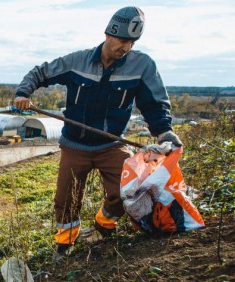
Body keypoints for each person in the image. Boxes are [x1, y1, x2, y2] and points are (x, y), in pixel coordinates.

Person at [13, 6, 182, 261]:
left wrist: (164, 132)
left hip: (111, 145)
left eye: (132, 42)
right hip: (74, 146)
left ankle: (103, 227)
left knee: (127, 191)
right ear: (109, 33)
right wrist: (23, 93)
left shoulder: (142, 66)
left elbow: (154, 104)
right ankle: (65, 244)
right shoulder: (77, 61)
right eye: (122, 40)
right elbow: (41, 72)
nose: (126, 47)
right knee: (65, 199)